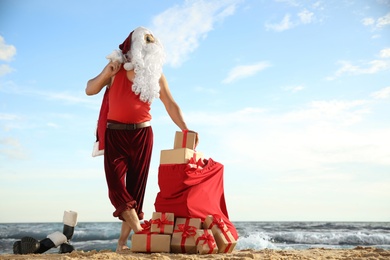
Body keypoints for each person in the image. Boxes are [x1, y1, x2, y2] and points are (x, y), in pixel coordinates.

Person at [85, 26, 198, 253]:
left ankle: (121, 244)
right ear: (133, 46)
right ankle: (141, 232)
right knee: (116, 187)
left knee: (136, 191)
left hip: (143, 135)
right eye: (144, 43)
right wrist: (106, 72)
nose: (147, 48)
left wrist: (186, 129)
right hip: (115, 133)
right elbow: (90, 89)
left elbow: (170, 103)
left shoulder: (156, 76)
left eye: (150, 44)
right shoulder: (116, 69)